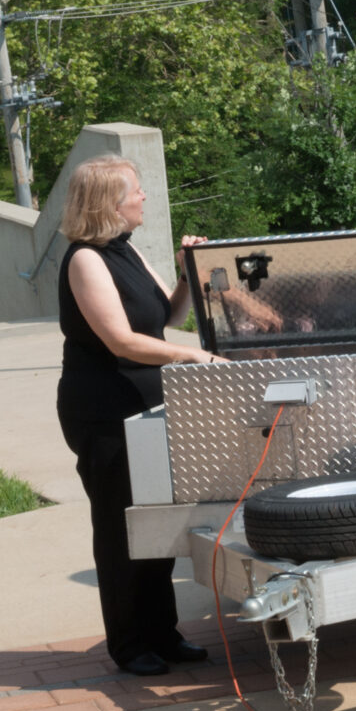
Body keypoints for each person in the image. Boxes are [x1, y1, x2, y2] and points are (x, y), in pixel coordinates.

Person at [55, 155, 225, 676]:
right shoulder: (85, 259)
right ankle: (129, 644)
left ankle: (162, 633)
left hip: (148, 408)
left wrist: (184, 274)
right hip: (106, 413)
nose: (144, 197)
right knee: (119, 526)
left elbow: (165, 318)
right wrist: (193, 356)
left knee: (155, 523)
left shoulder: (127, 251)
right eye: (136, 190)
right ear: (110, 202)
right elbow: (121, 340)